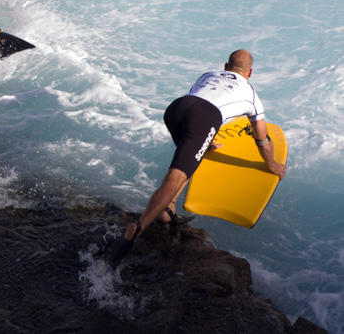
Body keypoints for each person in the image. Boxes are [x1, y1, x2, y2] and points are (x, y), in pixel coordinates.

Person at [105, 49, 288, 267]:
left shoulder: (207, 75)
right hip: (204, 117)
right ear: (250, 73)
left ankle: (167, 210)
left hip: (176, 109)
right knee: (176, 174)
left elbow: (198, 102)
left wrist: (205, 140)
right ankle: (137, 228)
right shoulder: (251, 95)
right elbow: (262, 138)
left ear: (225, 67)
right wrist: (272, 164)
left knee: (190, 159)